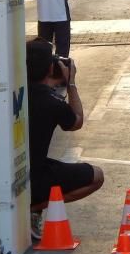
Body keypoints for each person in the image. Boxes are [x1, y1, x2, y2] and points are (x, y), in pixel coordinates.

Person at [26, 38, 103, 240]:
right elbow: (76, 122)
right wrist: (70, 83)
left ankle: (32, 209)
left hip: (13, 176)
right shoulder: (52, 103)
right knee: (96, 176)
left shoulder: (16, 93)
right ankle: (34, 207)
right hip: (36, 178)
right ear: (50, 68)